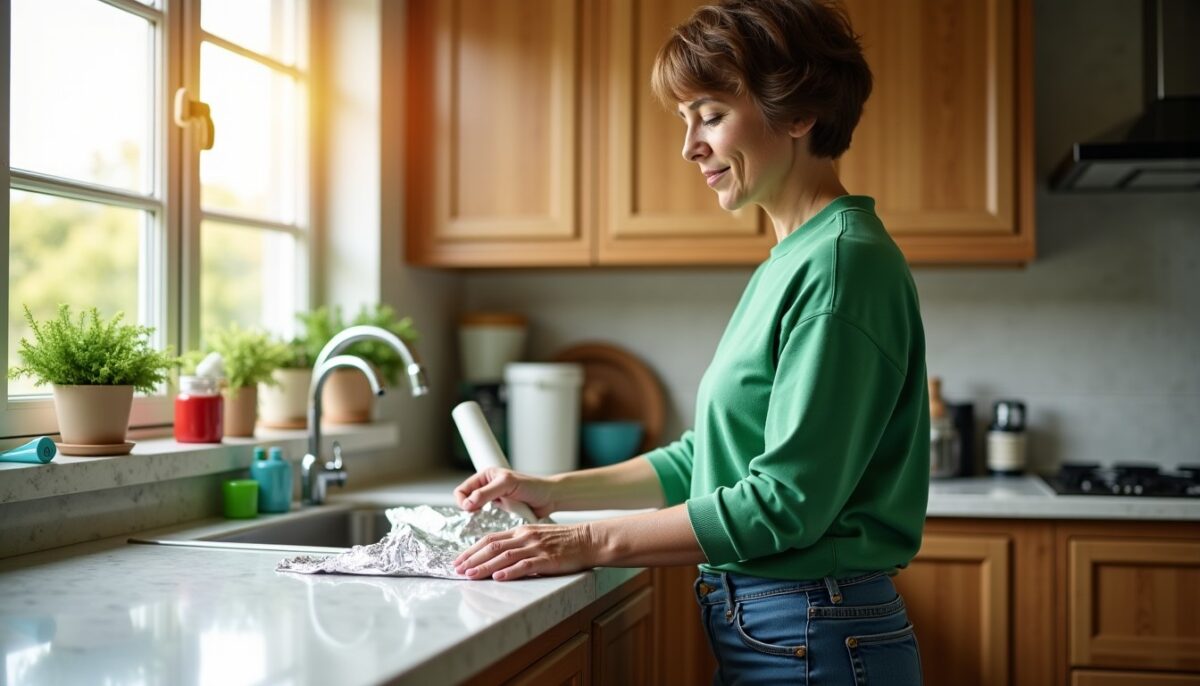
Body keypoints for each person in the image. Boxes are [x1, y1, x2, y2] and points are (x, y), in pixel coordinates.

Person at [451, 1, 928, 683]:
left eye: (709, 115)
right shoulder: (796, 258)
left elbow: (783, 504)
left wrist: (584, 541)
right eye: (685, 121)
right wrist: (552, 490)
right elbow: (709, 457)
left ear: (797, 114)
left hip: (812, 634)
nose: (689, 146)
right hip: (785, 629)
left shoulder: (841, 265)